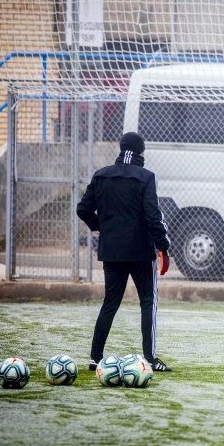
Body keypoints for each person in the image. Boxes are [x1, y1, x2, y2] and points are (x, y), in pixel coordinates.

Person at [77, 132, 173, 372]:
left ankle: (94, 357)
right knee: (148, 302)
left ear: (120, 150)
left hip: (112, 251)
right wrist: (163, 245)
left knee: (110, 303)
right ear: (141, 152)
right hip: (141, 252)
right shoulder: (146, 177)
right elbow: (153, 217)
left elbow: (82, 209)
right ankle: (149, 359)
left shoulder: (101, 175)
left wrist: (101, 226)